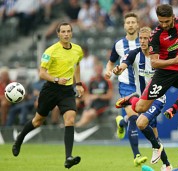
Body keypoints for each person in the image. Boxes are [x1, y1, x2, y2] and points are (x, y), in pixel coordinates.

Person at [12, 22, 84, 169]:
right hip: (50, 89)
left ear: (71, 33)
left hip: (66, 91)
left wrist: (78, 84)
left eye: (68, 31)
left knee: (70, 119)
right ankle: (20, 138)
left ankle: (68, 157)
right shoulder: (51, 51)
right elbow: (42, 73)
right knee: (38, 121)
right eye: (63, 31)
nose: (66, 34)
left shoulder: (77, 50)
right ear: (58, 34)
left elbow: (77, 65)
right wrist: (57, 79)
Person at [115, 4, 178, 121]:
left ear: (173, 16)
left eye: (167, 21)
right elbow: (154, 63)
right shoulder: (155, 36)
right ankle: (131, 99)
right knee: (141, 108)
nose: (164, 25)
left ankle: (174, 108)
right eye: (161, 21)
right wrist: (173, 61)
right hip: (164, 74)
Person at [112, 27, 172, 170]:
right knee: (152, 133)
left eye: (146, 38)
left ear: (151, 39)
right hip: (143, 101)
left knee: (141, 123)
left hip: (158, 97)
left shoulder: (159, 55)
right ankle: (167, 165)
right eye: (141, 38)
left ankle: (128, 112)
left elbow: (174, 72)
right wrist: (118, 69)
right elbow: (124, 64)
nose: (143, 41)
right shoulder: (134, 53)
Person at [104, 12, 148, 166]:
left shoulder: (145, 42)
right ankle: (137, 155)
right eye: (127, 22)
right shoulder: (118, 44)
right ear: (124, 25)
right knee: (135, 118)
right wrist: (108, 71)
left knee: (138, 117)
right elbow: (111, 62)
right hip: (126, 85)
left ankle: (122, 122)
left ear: (138, 24)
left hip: (143, 85)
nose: (130, 24)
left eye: (133, 22)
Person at [76, 61, 113, 127]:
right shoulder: (92, 81)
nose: (98, 71)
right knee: (85, 113)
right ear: (94, 70)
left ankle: (77, 127)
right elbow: (87, 94)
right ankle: (78, 127)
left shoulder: (107, 81)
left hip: (103, 105)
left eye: (100, 69)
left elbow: (109, 96)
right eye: (97, 69)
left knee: (88, 114)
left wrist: (98, 96)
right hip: (93, 105)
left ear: (102, 70)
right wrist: (87, 99)